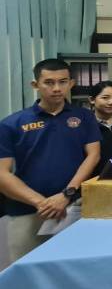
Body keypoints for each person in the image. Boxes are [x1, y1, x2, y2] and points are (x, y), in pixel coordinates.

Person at [0, 59, 101, 261]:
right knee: (27, 268)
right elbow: (2, 173)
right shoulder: (12, 123)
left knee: (75, 264)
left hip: (75, 206)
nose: (56, 88)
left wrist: (66, 195)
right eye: (49, 82)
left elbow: (93, 155)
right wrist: (42, 203)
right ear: (35, 84)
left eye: (62, 82)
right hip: (28, 211)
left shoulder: (84, 117)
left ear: (71, 83)